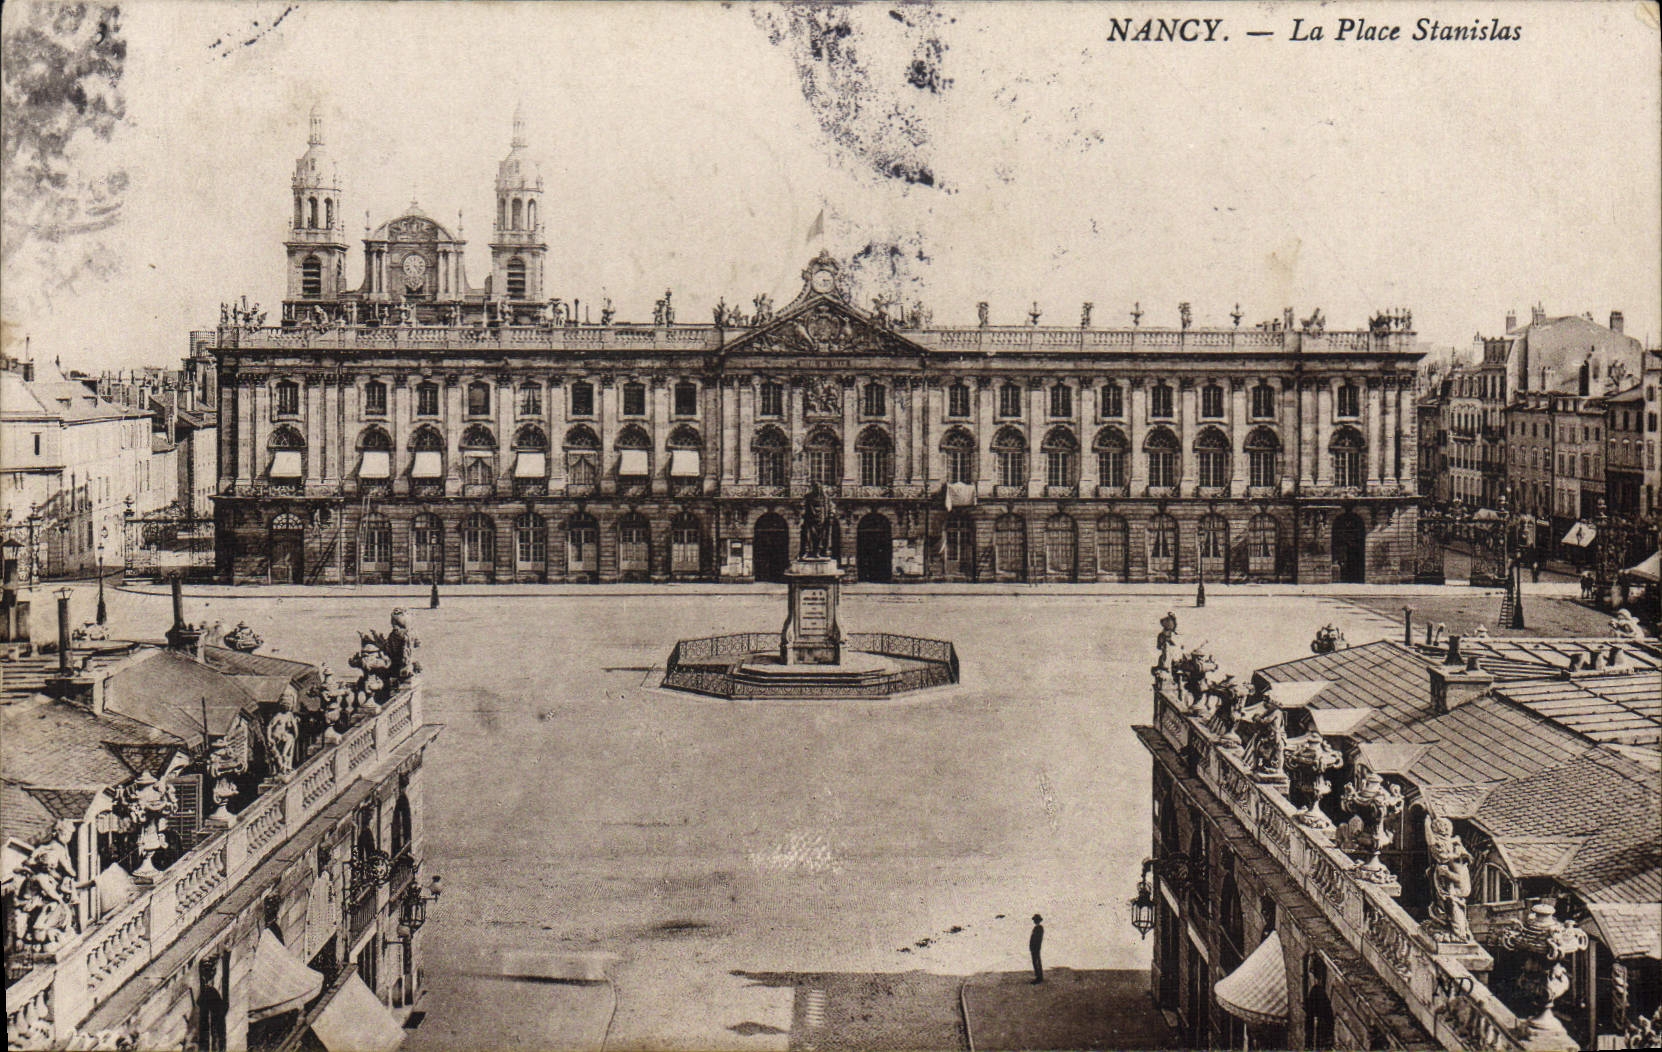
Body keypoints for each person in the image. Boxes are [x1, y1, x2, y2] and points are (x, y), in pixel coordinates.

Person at [1029, 914, 1044, 983]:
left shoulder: (1039, 928)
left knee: (1036, 962)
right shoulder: (1037, 928)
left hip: (1036, 947)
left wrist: (1034, 947)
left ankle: (1039, 977)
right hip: (1035, 947)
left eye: (1035, 920)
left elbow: (1037, 939)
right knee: (1036, 961)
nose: (1034, 921)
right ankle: (1039, 976)